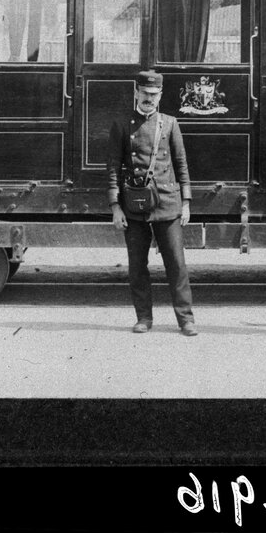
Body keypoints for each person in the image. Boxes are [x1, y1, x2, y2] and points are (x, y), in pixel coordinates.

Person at [108, 69, 197, 336]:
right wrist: (115, 206)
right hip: (134, 206)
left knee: (177, 265)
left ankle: (186, 319)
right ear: (136, 92)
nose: (149, 98)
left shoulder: (169, 123)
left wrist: (186, 202)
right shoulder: (122, 124)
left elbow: (181, 164)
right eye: (145, 93)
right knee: (137, 266)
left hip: (168, 203)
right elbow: (112, 167)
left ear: (161, 95)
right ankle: (144, 318)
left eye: (154, 94)